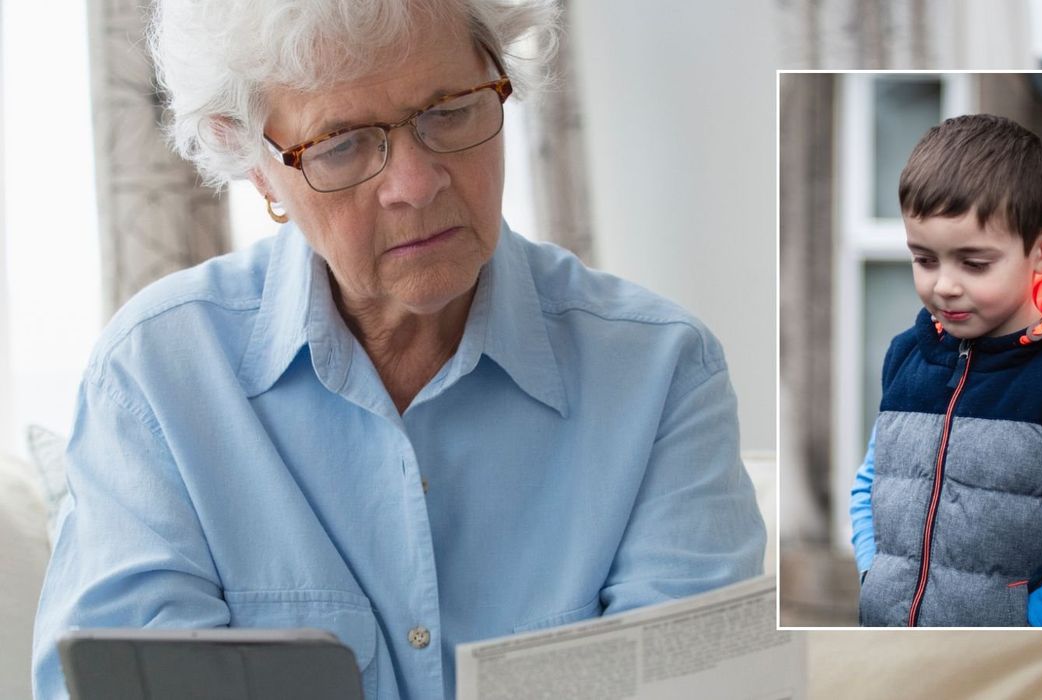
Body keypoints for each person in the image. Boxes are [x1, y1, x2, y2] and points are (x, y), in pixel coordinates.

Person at [32, 0, 765, 696]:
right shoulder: (159, 374)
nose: (415, 183)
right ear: (258, 168)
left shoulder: (660, 373)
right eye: (343, 145)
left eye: (449, 113)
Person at [850, 114, 1042, 627]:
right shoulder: (906, 357)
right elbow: (870, 485)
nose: (944, 286)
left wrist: (1028, 622)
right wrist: (876, 576)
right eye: (924, 259)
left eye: (974, 263)